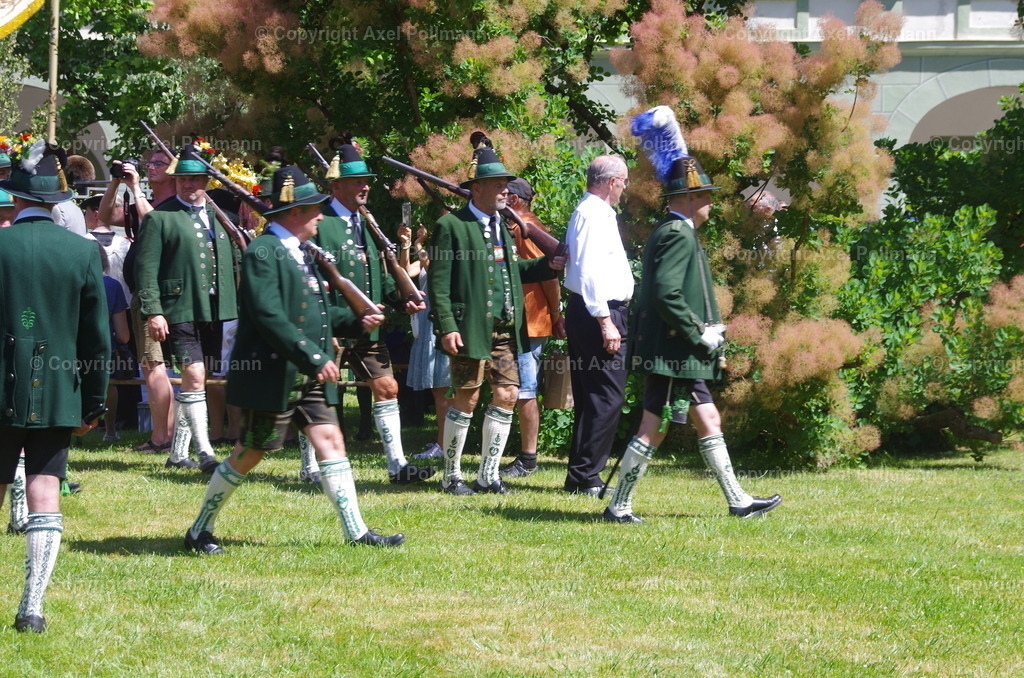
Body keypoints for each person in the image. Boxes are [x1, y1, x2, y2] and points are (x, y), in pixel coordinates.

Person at [183, 164, 404, 554]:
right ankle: (200, 529)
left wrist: (356, 319)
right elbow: (270, 315)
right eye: (315, 207)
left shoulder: (302, 252)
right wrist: (316, 357)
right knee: (249, 453)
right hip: (274, 374)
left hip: (305, 375)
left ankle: (357, 533)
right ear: (294, 213)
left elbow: (315, 315)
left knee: (332, 441)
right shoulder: (263, 252)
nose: (322, 214)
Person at [602, 108, 782, 523]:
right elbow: (667, 293)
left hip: (681, 352)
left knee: (708, 417)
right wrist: (699, 333)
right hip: (674, 350)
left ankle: (738, 500)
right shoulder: (676, 233)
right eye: (704, 196)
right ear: (687, 198)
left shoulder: (678, 231)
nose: (710, 204)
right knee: (656, 425)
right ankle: (619, 505)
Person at [0, 145, 110, 631]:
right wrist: (95, 402)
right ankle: (32, 608)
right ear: (56, 200)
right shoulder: (84, 251)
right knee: (46, 490)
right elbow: (96, 340)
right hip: (58, 387)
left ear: (15, 198)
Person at [428, 136, 565, 495]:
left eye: (506, 184)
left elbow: (510, 273)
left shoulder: (501, 226)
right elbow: (438, 284)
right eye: (499, 184)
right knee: (467, 398)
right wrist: (446, 326)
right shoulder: (451, 227)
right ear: (478, 188)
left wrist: (546, 265)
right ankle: (451, 476)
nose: (506, 190)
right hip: (468, 330)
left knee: (507, 395)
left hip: (505, 329)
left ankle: (488, 475)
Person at [305, 137, 433, 485]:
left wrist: (399, 298)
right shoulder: (318, 221)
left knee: (388, 386)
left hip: (368, 326)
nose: (365, 186)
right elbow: (312, 279)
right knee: (318, 393)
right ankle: (310, 467)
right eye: (357, 181)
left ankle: (397, 465)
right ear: (337, 184)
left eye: (367, 181)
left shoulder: (364, 222)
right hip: (330, 323)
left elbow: (378, 273)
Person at [134, 144, 239, 472]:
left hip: (214, 309)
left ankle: (178, 453)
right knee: (194, 373)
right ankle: (205, 450)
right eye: (182, 179)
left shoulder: (218, 218)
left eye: (195, 179)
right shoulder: (159, 217)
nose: (188, 184)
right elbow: (145, 268)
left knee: (198, 379)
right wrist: (153, 311)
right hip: (177, 306)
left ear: (206, 181)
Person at [562, 155, 634, 496]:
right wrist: (605, 322)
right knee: (606, 396)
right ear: (610, 182)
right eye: (623, 180)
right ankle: (586, 475)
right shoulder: (593, 214)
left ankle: (581, 475)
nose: (625, 186)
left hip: (592, 310)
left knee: (595, 396)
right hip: (598, 312)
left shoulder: (595, 213)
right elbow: (589, 271)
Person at [105, 149, 178, 456]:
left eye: (158, 163)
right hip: (143, 295)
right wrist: (115, 184)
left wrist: (135, 188)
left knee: (154, 364)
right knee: (151, 366)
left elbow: (154, 224)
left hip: (159, 296)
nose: (150, 167)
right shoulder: (139, 201)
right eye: (149, 163)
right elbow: (107, 216)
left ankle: (163, 437)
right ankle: (163, 434)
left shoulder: (174, 205)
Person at [500, 178, 565, 479]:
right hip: (526, 318)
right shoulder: (520, 224)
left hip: (530, 319)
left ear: (513, 199)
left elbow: (549, 274)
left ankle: (527, 458)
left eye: (504, 192)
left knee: (525, 389)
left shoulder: (523, 227)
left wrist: (555, 313)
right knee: (517, 387)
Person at [397, 222, 450, 460]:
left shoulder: (449, 254)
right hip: (428, 323)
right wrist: (407, 245)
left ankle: (445, 444)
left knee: (444, 388)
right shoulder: (428, 253)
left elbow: (434, 268)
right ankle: (442, 442)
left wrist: (419, 246)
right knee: (440, 390)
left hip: (442, 323)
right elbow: (405, 273)